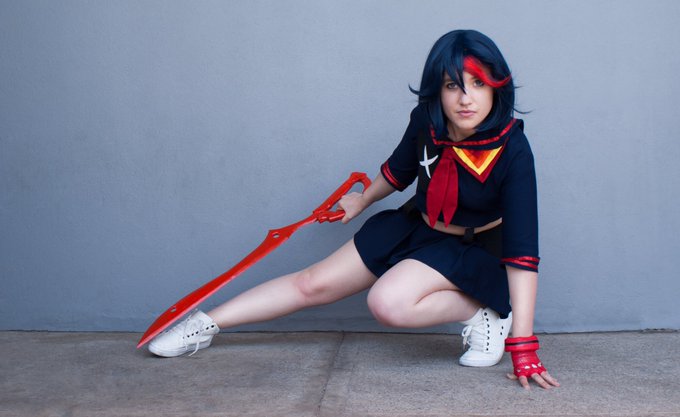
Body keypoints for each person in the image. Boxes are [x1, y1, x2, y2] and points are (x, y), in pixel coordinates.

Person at [148, 29, 559, 390]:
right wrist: (362, 200)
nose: (465, 98)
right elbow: (399, 171)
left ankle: (486, 315)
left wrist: (523, 345)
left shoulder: (513, 148)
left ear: (496, 87)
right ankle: (203, 325)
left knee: (387, 302)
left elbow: (523, 252)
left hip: (476, 250)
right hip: (419, 227)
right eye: (453, 85)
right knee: (313, 283)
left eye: (478, 83)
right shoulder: (427, 120)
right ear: (438, 89)